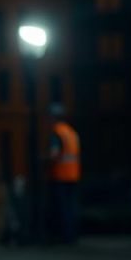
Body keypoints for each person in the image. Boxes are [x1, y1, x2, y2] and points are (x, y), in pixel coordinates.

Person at [46, 103, 80, 244]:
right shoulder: (71, 132)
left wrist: (43, 159)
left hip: (60, 175)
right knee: (70, 206)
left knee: (62, 207)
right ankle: (72, 234)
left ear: (53, 117)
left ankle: (64, 236)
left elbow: (54, 154)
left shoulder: (57, 133)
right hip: (73, 175)